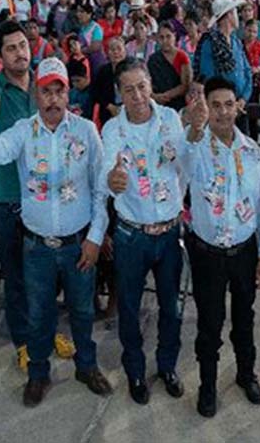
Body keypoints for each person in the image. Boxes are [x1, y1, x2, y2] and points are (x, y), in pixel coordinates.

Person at [0, 58, 112, 406]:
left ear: (68, 94)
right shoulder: (23, 130)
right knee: (39, 314)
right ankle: (38, 373)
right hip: (36, 246)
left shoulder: (86, 131)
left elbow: (101, 187)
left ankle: (86, 366)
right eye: (46, 91)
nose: (53, 99)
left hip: (78, 245)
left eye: (59, 91)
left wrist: (95, 237)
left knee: (82, 311)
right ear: (36, 95)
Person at [0, 14, 77, 371]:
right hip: (10, 198)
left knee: (46, 276)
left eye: (23, 45)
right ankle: (24, 341)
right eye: (10, 48)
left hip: (46, 197)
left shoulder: (43, 86)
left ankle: (47, 332)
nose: (19, 53)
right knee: (15, 274)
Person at [181, 77, 260, 417]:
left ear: (238, 107)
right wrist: (193, 129)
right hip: (207, 254)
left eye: (228, 105)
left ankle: (246, 374)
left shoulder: (251, 152)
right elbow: (180, 167)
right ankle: (207, 386)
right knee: (210, 324)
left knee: (244, 319)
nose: (222, 112)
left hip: (244, 251)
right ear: (205, 107)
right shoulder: (194, 148)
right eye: (215, 105)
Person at [102, 58, 186, 405]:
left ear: (150, 84)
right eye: (128, 90)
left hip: (168, 234)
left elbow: (185, 166)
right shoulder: (112, 130)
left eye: (141, 86)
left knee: (171, 307)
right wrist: (112, 181)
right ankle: (135, 370)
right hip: (131, 236)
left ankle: (167, 366)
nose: (137, 96)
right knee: (129, 307)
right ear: (119, 94)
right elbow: (105, 177)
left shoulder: (171, 120)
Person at [194, 0, 253, 135]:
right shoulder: (210, 43)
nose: (238, 16)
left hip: (240, 106)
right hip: (221, 110)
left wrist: (243, 99)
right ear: (229, 15)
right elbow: (209, 80)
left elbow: (247, 71)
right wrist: (229, 103)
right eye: (235, 12)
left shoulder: (236, 42)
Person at [147, 20, 192, 111]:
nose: (165, 41)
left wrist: (165, 96)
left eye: (168, 36)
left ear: (174, 36)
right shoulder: (153, 59)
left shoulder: (182, 57)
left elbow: (185, 85)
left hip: (178, 103)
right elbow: (148, 83)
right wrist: (155, 97)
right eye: (161, 37)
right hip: (158, 104)